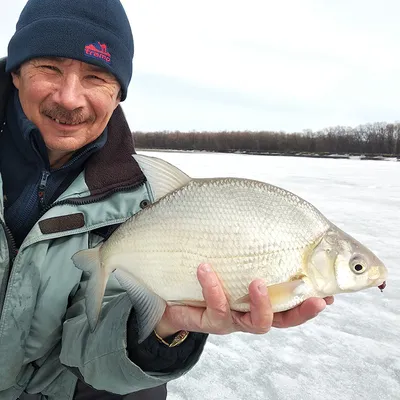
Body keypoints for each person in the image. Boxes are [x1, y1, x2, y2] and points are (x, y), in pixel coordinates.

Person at [0, 0, 334, 399]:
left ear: (119, 93)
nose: (70, 98)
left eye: (96, 76)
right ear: (16, 71)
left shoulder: (141, 202)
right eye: (50, 68)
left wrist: (163, 328)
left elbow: (85, 350)